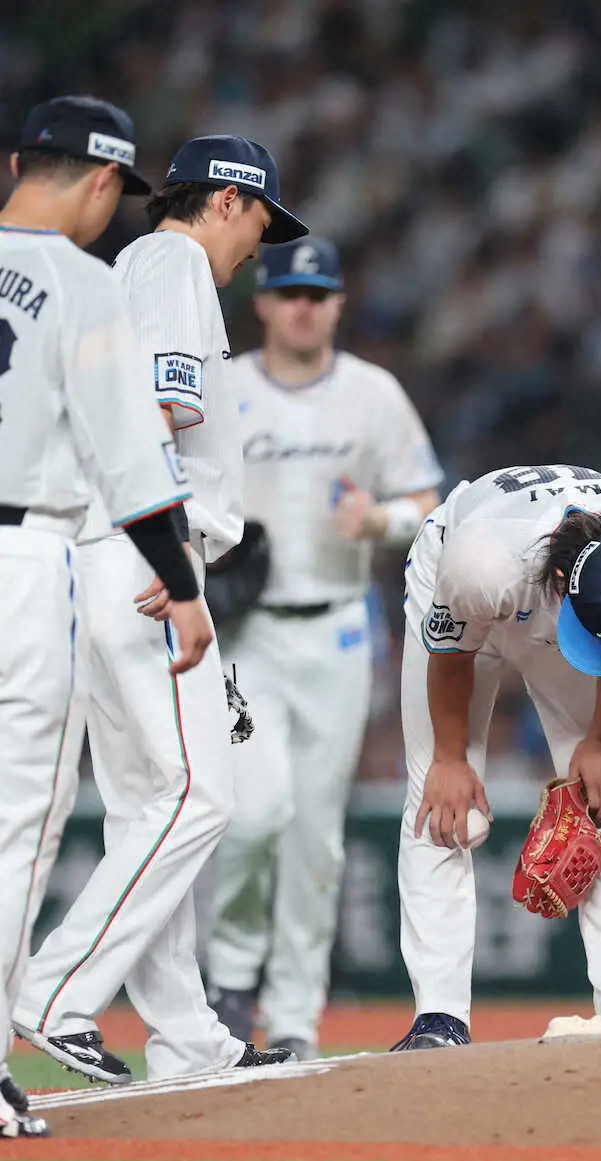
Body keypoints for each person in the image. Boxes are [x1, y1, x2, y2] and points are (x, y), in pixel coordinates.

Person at [13, 135, 310, 1084]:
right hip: (139, 558)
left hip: (100, 556)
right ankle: (53, 993)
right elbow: (154, 409)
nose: (261, 243)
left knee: (153, 804)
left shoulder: (136, 265)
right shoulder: (176, 261)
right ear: (225, 200)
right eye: (261, 218)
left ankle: (187, 1037)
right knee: (197, 796)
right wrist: (176, 552)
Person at [0, 95, 211, 1138]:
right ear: (98, 183)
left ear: (13, 162)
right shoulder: (82, 286)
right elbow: (134, 468)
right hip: (26, 554)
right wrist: (179, 582)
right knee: (17, 826)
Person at [204, 237, 443, 1061]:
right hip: (245, 631)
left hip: (338, 625)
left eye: (318, 291)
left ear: (338, 303)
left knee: (315, 831)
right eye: (290, 291)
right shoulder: (225, 386)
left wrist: (380, 521)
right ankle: (230, 978)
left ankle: (297, 1013)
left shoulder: (372, 394)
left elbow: (426, 498)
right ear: (263, 302)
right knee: (250, 811)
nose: (304, 305)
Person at [392, 465, 601, 1050]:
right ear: (563, 581)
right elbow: (451, 656)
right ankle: (438, 1019)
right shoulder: (480, 563)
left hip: (574, 601)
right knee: (441, 805)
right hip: (468, 592)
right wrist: (449, 758)